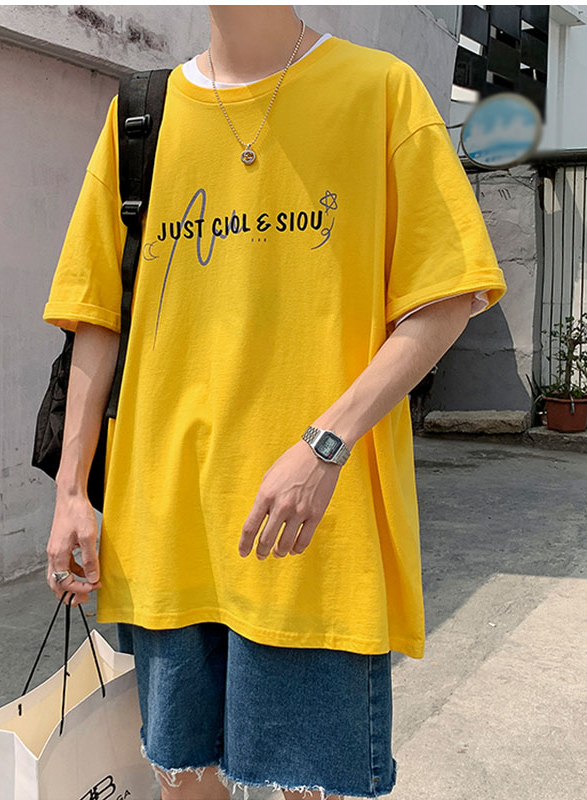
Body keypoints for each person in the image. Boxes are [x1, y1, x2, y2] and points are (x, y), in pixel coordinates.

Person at [41, 6, 507, 800]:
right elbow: (96, 319)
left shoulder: (379, 92)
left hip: (314, 538)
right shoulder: (141, 116)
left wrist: (326, 442)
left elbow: (446, 297)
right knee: (183, 783)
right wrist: (71, 494)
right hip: (167, 529)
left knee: (306, 787)